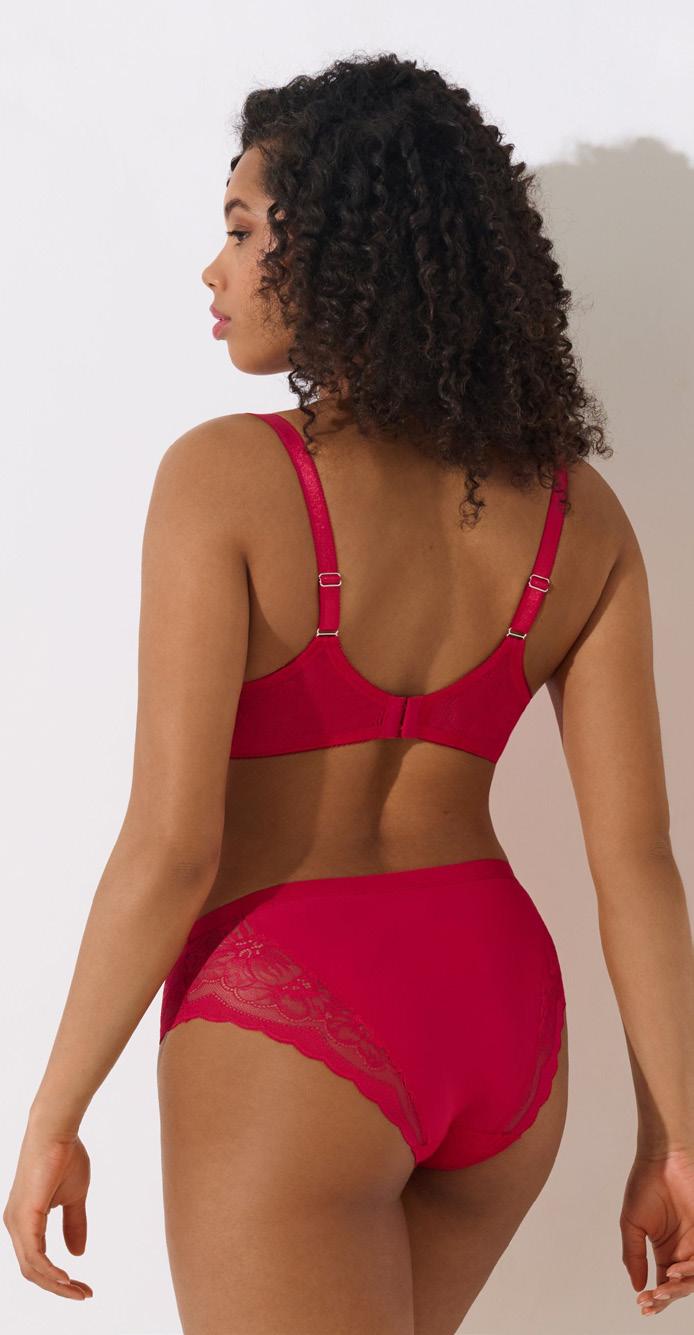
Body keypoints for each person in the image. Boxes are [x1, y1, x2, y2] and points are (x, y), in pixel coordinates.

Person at [4, 51, 693, 1334]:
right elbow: (639, 862)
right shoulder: (579, 515)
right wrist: (675, 1131)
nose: (212, 271)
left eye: (240, 229)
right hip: (502, 1025)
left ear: (341, 249)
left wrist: (55, 1111)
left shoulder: (224, 478)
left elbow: (169, 847)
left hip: (295, 1010)